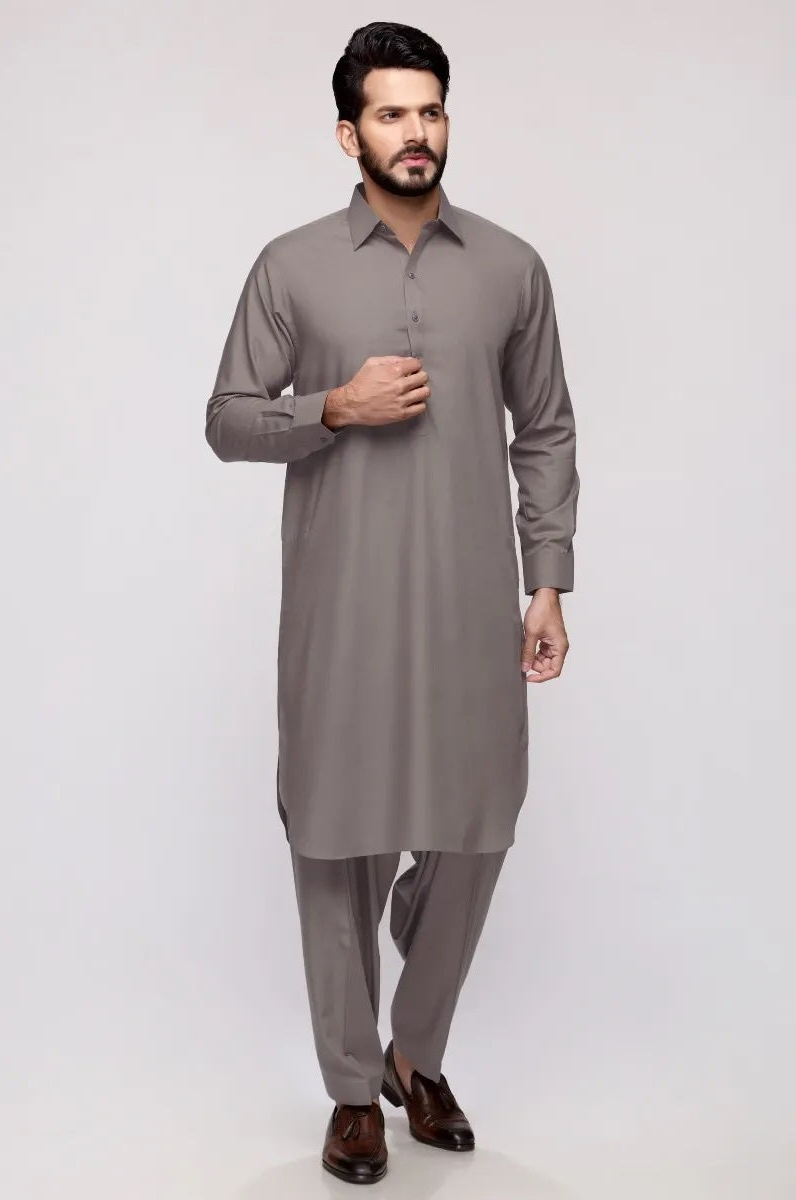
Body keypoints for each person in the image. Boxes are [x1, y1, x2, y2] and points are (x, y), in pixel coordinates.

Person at [205, 20, 579, 1186]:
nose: (414, 132)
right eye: (389, 114)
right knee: (334, 840)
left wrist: (546, 581)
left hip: (472, 604)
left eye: (428, 110)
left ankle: (414, 1050)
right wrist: (331, 407)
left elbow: (544, 430)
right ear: (347, 133)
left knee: (478, 823)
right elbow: (226, 419)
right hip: (340, 608)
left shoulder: (509, 267)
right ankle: (350, 1091)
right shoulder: (290, 266)